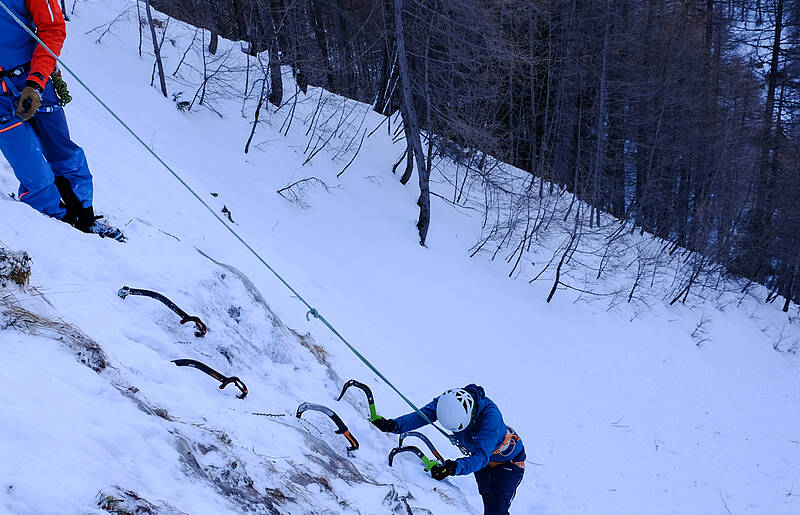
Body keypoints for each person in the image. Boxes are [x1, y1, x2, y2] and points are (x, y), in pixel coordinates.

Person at [0, 0, 122, 240]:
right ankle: (58, 231)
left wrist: (36, 82)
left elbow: (52, 28)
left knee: (62, 152)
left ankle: (84, 217)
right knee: (29, 163)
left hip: (33, 77)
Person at [373, 384, 525, 515]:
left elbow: (480, 458)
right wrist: (394, 425)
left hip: (509, 462)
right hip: (483, 459)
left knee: (496, 509)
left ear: (470, 415)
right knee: (486, 493)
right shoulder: (448, 402)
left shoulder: (490, 418)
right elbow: (422, 416)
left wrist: (454, 467)